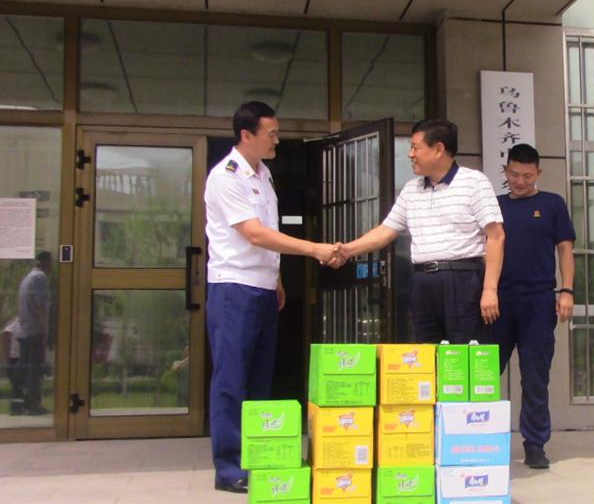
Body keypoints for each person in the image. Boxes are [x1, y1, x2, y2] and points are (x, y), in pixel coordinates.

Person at [205, 101, 343, 493]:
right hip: (234, 288)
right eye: (272, 133)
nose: (277, 140)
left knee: (259, 378)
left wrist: (277, 278)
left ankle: (257, 456)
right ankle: (229, 467)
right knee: (232, 378)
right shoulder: (227, 177)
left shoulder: (264, 175)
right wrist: (314, 249)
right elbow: (255, 234)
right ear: (246, 135)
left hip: (263, 288)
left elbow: (268, 232)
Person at [342, 119, 504, 343]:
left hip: (462, 280)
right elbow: (385, 231)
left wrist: (490, 290)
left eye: (415, 148)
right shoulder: (412, 189)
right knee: (426, 352)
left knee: (464, 354)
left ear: (438, 149)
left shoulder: (474, 182)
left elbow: (496, 236)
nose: (410, 154)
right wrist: (346, 250)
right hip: (422, 281)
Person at [491, 144, 575, 469]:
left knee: (535, 376)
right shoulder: (495, 206)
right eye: (514, 174)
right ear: (505, 171)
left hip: (539, 301)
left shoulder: (552, 204)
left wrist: (566, 290)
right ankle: (479, 437)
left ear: (539, 173)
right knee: (485, 374)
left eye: (527, 176)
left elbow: (565, 249)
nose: (520, 181)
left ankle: (535, 444)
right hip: (498, 302)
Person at [17, 251, 52, 416]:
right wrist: (45, 330)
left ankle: (27, 404)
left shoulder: (27, 279)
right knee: (36, 371)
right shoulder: (40, 278)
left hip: (25, 330)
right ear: (45, 262)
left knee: (29, 370)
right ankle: (34, 405)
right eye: (50, 263)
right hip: (35, 330)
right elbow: (41, 306)